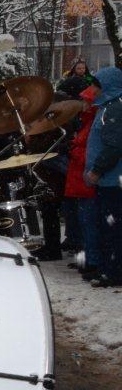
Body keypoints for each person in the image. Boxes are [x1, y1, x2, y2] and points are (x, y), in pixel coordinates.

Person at [84, 66, 122, 287]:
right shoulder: (107, 107)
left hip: (112, 180)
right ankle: (108, 268)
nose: (93, 90)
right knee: (108, 226)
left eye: (96, 86)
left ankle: (113, 271)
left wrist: (97, 170)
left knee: (112, 228)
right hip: (109, 180)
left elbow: (114, 146)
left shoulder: (115, 109)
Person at [63, 77, 102, 278]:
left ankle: (91, 261)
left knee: (89, 223)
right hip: (81, 181)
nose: (83, 105)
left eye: (86, 101)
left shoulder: (92, 124)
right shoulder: (87, 123)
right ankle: (86, 259)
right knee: (84, 223)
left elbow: (91, 153)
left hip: (85, 181)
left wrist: (74, 151)